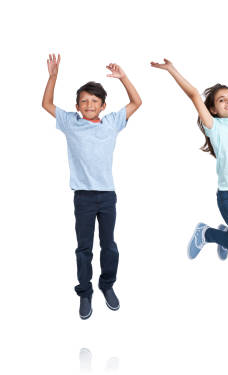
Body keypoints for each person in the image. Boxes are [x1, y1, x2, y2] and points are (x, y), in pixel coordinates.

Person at [42, 54, 142, 319]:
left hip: (107, 195)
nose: (89, 105)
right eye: (84, 101)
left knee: (109, 245)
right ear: (77, 105)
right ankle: (85, 291)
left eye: (94, 101)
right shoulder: (70, 123)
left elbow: (136, 102)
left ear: (103, 105)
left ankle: (107, 285)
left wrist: (123, 77)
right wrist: (53, 76)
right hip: (83, 197)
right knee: (84, 248)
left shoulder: (111, 123)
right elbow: (46, 103)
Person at [151, 58, 228, 261]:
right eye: (221, 100)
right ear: (213, 110)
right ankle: (207, 233)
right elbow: (193, 94)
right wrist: (171, 69)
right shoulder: (214, 128)